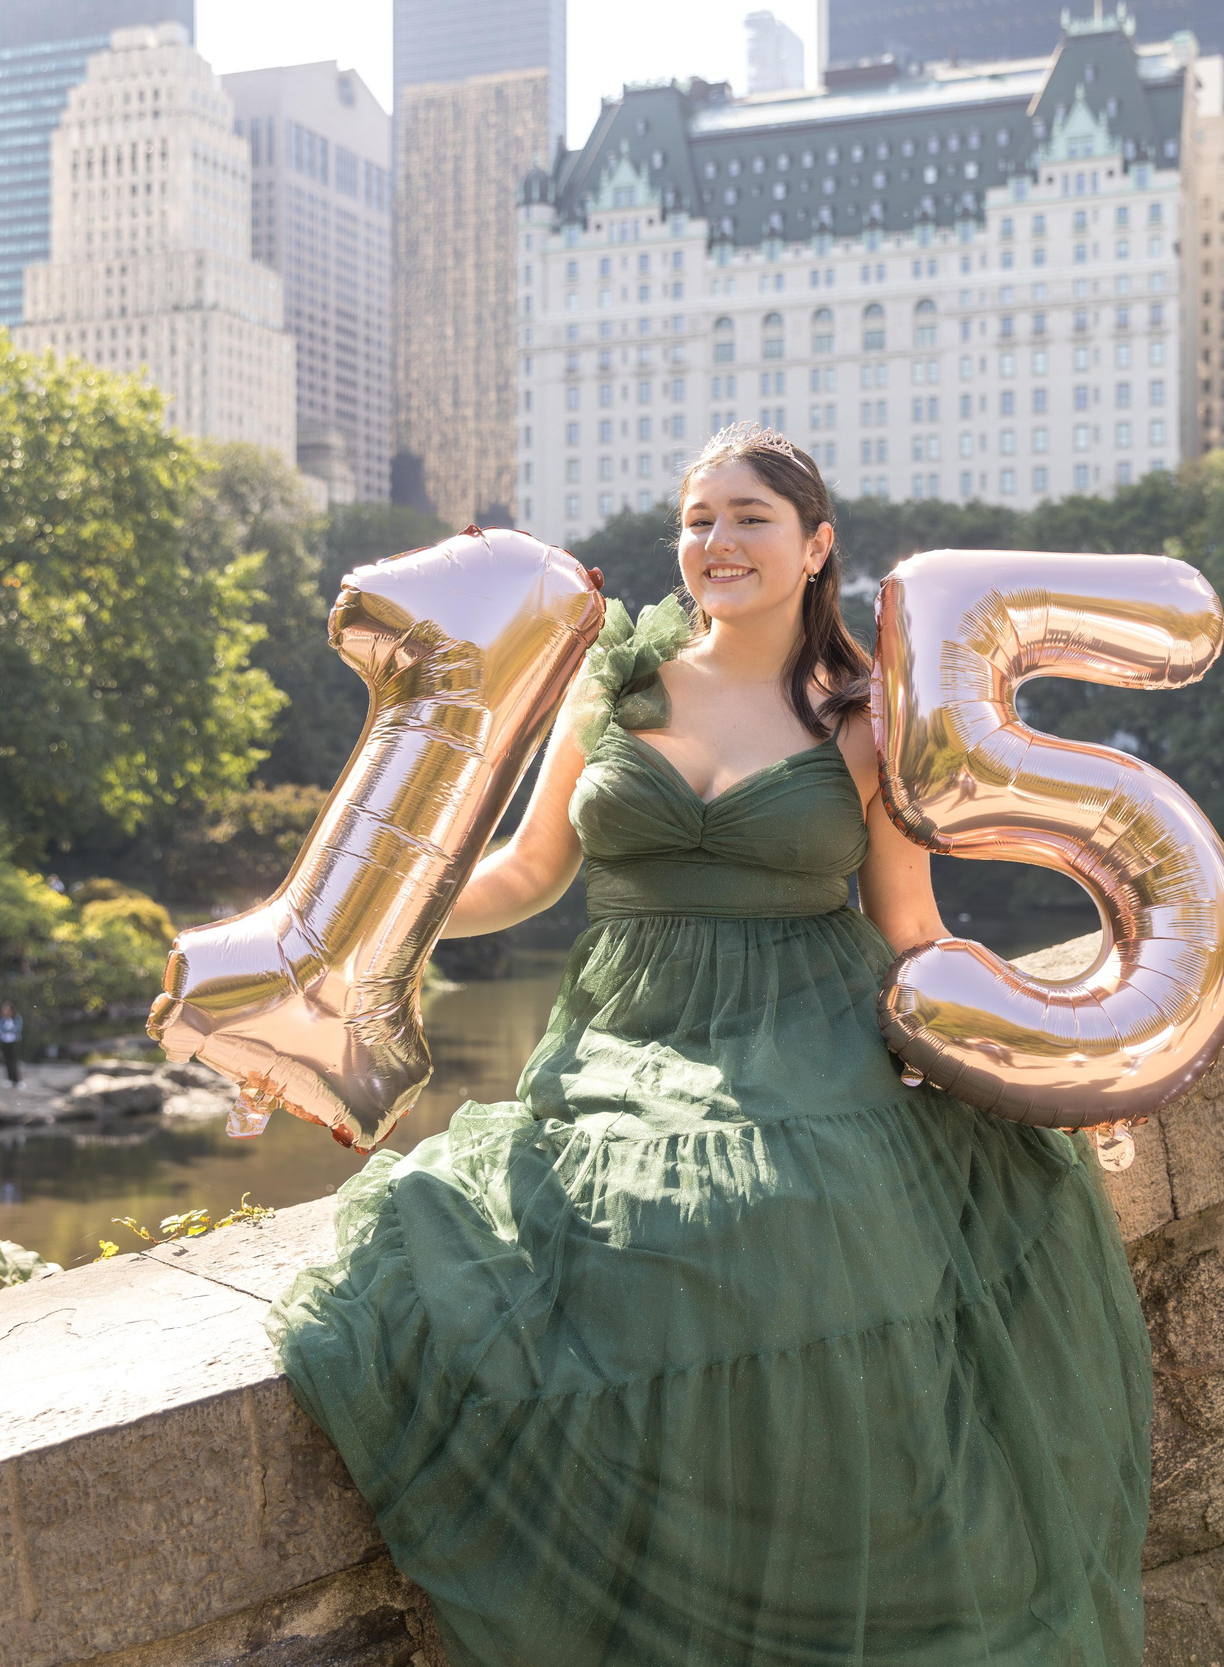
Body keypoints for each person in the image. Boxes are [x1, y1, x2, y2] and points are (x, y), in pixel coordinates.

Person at [265, 424, 1154, 1664]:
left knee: (787, 1218)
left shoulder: (868, 719)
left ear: (814, 547)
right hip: (632, 1022)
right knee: (600, 1240)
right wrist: (373, 917)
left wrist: (1052, 1053)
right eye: (697, 519)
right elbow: (525, 871)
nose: (716, 542)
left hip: (809, 1022)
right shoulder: (613, 683)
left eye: (749, 518)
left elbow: (909, 926)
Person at [0, 1001, 24, 1089]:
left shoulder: (17, 1018)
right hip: (4, 1041)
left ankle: (18, 1080)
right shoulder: (0, 1018)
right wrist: (3, 1032)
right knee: (7, 1061)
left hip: (14, 1041)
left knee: (14, 1061)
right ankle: (9, 1079)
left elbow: (17, 1030)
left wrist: (6, 1031)